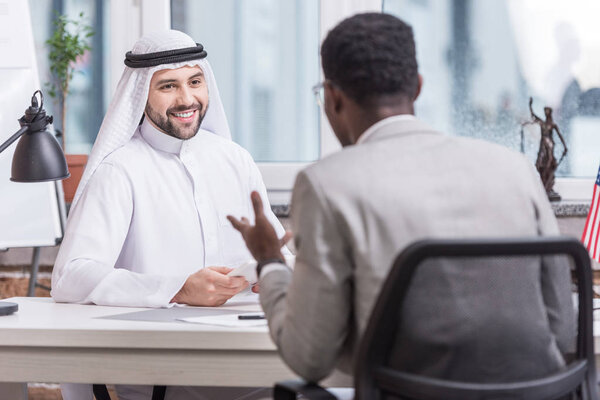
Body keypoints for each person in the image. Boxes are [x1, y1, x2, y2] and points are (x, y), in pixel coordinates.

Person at [229, 13, 575, 387]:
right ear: (419, 87)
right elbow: (563, 328)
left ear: (332, 97)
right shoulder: (515, 169)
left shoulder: (326, 185)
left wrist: (270, 261)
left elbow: (310, 357)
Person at [51, 30, 286, 400]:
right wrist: (177, 288)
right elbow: (71, 276)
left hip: (255, 366)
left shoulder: (234, 158)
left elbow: (275, 251)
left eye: (195, 81)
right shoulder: (120, 171)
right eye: (168, 86)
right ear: (141, 92)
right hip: (165, 378)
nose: (186, 98)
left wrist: (273, 271)